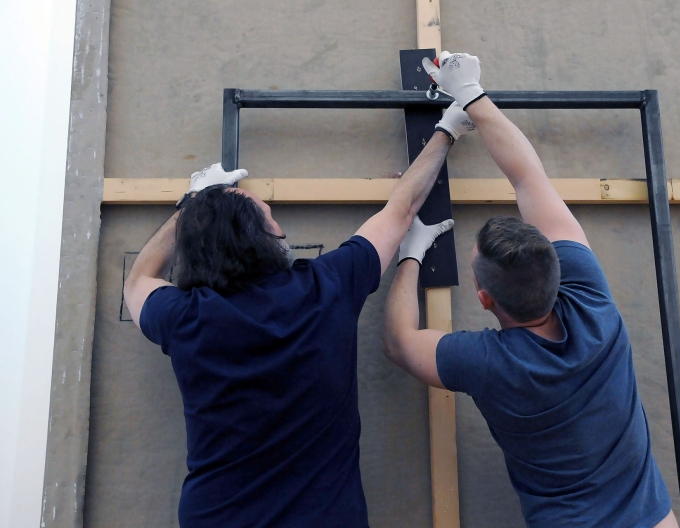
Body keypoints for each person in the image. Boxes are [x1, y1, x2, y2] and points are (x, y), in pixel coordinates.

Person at [122, 98, 474, 526]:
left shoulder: (186, 318)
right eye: (270, 219)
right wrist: (447, 131)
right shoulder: (324, 289)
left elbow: (138, 281)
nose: (281, 228)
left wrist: (193, 204)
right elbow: (400, 210)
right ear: (259, 239)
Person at [384, 51, 679, 528]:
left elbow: (399, 343)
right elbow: (527, 176)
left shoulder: (488, 363)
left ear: (484, 299)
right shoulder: (591, 299)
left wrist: (409, 251)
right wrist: (473, 94)